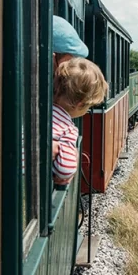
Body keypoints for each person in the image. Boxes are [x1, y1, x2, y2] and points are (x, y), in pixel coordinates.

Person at [52, 57, 107, 186]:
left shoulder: (38, 110)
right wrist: (74, 155)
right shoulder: (67, 129)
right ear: (79, 104)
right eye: (89, 107)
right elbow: (65, 171)